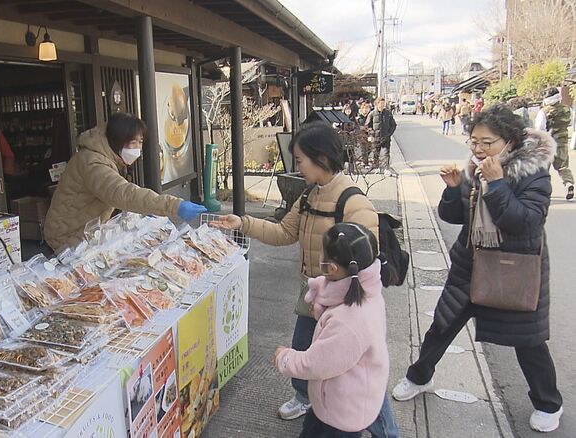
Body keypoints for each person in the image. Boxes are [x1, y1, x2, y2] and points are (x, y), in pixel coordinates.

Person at [211, 123, 398, 437]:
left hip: (345, 302)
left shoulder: (354, 204)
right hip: (314, 291)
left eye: (300, 160)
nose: (296, 166)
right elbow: (284, 232)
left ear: (321, 158)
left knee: (357, 373)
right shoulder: (310, 193)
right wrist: (242, 222)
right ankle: (308, 398)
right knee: (305, 350)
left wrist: (349, 310)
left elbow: (366, 267)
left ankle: (384, 429)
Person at [392, 104, 564, 433]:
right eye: (474, 142)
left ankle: (548, 403)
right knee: (442, 325)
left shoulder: (534, 173)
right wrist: (454, 188)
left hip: (514, 269)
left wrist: (498, 185)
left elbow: (524, 223)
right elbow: (457, 217)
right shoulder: (477, 168)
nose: (479, 149)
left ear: (510, 141)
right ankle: (419, 377)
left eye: (488, 142)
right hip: (470, 265)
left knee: (528, 342)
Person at [275, 222, 396, 438]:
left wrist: (284, 358)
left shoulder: (349, 320)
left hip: (342, 411)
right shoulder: (366, 290)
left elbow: (316, 363)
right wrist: (323, 315)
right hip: (336, 399)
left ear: (331, 268)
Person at [43, 112, 206, 253]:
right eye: (132, 142)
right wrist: (174, 206)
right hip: (67, 236)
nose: (137, 149)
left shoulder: (104, 156)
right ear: (117, 140)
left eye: (140, 142)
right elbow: (123, 193)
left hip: (84, 231)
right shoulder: (92, 162)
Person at [534, 88, 574, 201]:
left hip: (547, 144)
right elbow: (570, 122)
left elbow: (539, 129)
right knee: (563, 167)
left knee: (543, 170)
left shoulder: (544, 111)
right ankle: (568, 184)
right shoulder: (567, 109)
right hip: (562, 142)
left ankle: (544, 191)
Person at [365, 97, 397, 174]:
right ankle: (376, 167)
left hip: (386, 137)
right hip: (376, 138)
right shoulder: (372, 113)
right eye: (381, 103)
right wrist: (372, 133)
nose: (382, 105)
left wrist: (389, 134)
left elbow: (393, 125)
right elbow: (367, 125)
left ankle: (386, 168)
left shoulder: (388, 113)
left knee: (386, 154)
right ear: (377, 104)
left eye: (383, 103)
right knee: (376, 153)